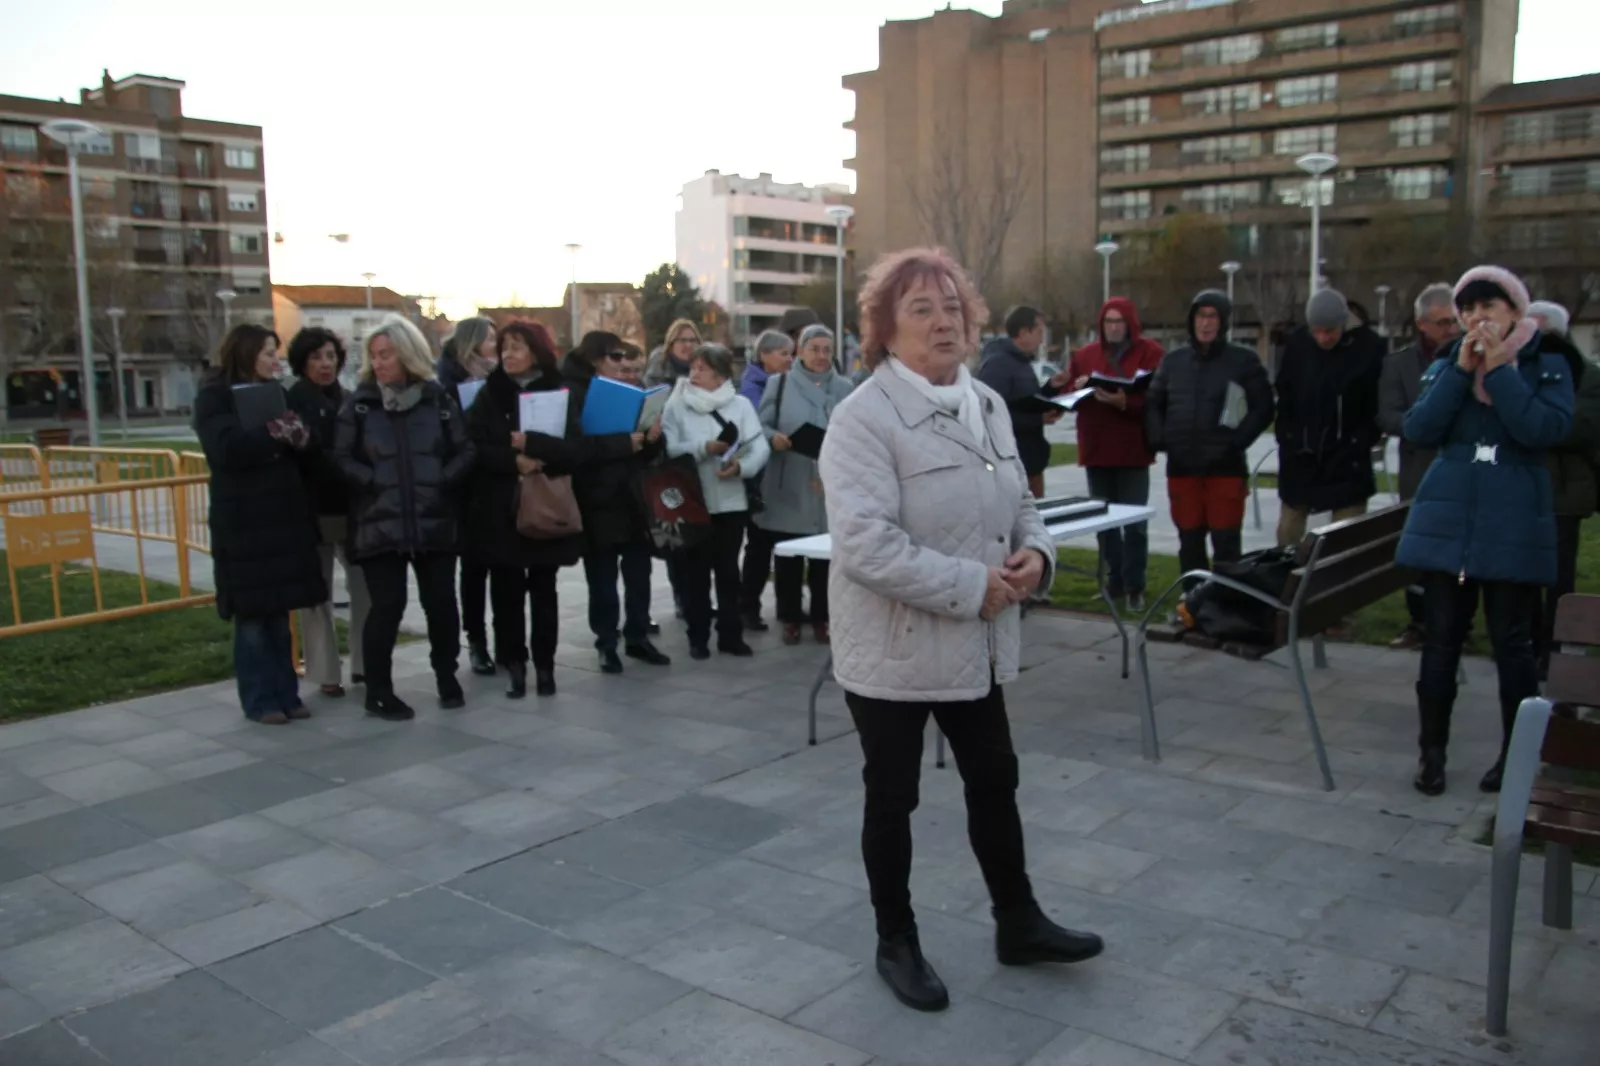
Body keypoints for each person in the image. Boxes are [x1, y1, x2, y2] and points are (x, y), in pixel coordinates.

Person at [820, 247, 1102, 1014]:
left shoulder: (985, 402)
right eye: (921, 309)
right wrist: (972, 585)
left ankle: (1019, 921)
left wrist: (1037, 558)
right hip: (895, 649)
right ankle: (895, 940)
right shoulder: (861, 420)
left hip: (975, 643)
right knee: (894, 797)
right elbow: (867, 545)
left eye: (953, 307)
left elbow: (1023, 506)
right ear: (883, 329)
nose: (944, 321)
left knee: (995, 781)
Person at [1397, 266, 1574, 797]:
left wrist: (1500, 371)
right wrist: (1460, 372)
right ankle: (1431, 754)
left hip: (1512, 521)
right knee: (1441, 641)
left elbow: (1543, 430)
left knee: (1512, 643)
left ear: (1515, 312)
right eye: (1468, 310)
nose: (1477, 319)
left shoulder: (1550, 364)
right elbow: (1420, 428)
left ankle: (1514, 756)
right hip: (1450, 522)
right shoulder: (1449, 362)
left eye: (1488, 307)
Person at [335, 315, 477, 721]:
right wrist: (373, 480)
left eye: (386, 355)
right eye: (373, 356)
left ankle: (447, 677)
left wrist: (440, 479)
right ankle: (378, 691)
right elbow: (340, 457)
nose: (378, 363)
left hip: (433, 520)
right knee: (387, 607)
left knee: (441, 604)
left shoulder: (438, 401)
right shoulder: (360, 404)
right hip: (381, 521)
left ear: (408, 355)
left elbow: (465, 451)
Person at [194, 325, 326, 725]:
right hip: (243, 522)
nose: (275, 361)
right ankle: (259, 699)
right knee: (252, 618)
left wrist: (302, 437)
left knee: (280, 617)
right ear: (248, 352)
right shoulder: (214, 396)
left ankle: (287, 694)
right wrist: (274, 434)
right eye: (269, 353)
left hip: (282, 519)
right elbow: (225, 448)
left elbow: (307, 450)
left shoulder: (278, 394)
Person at [561, 330, 672, 674]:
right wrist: (624, 444)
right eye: (615, 357)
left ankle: (637, 635)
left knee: (639, 573)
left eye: (625, 358)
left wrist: (652, 439)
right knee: (603, 579)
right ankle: (606, 642)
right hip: (597, 497)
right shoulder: (574, 394)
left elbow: (643, 449)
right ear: (595, 358)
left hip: (632, 496)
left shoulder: (630, 391)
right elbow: (576, 449)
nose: (623, 364)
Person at [1145, 291, 1275, 578]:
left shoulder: (1244, 361)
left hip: (1225, 469)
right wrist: (1160, 438)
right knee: (1189, 543)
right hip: (1182, 468)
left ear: (1223, 321)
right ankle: (1192, 605)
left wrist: (1236, 442)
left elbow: (1264, 407)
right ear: (1192, 321)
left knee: (1226, 545)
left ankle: (1226, 609)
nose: (1205, 323)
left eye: (1212, 316)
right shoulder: (1173, 362)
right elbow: (1154, 401)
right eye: (1200, 316)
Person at [662, 344, 770, 660]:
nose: (694, 374)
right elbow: (668, 447)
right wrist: (702, 448)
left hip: (732, 501)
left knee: (728, 573)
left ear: (721, 375)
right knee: (695, 574)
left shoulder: (739, 405)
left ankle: (730, 634)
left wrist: (741, 467)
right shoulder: (676, 405)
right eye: (692, 367)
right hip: (692, 501)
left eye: (702, 368)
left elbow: (758, 447)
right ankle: (697, 637)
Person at [752, 323, 854, 645]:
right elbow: (759, 426)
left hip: (829, 482)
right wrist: (773, 438)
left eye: (827, 349)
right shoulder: (779, 384)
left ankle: (823, 617)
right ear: (801, 350)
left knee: (826, 557)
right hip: (789, 478)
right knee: (789, 557)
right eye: (815, 348)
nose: (821, 356)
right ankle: (790, 617)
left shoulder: (846, 388)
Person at [1273, 288, 1386, 568]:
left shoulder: (1370, 348)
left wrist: (1360, 442)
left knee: (1342, 544)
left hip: (1348, 462)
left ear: (1344, 323)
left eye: (1330, 331)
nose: (1323, 338)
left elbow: (1377, 406)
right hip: (1302, 456)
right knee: (1287, 533)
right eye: (1317, 331)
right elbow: (1285, 394)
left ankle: (1333, 601)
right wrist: (1288, 438)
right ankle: (1286, 594)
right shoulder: (1298, 344)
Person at [285, 327, 369, 698]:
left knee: (364, 589)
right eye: (317, 357)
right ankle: (325, 673)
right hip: (311, 511)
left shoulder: (351, 400)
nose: (325, 364)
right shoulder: (291, 402)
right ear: (302, 362)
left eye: (331, 356)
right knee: (316, 596)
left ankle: (366, 664)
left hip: (352, 510)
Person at [1066, 298, 1166, 611]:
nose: (1113, 327)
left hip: (1133, 450)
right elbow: (1068, 395)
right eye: (1108, 321)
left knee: (1134, 522)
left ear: (1130, 323)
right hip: (1097, 450)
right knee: (1104, 522)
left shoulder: (1151, 353)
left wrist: (1125, 402)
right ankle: (1114, 582)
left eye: (1118, 321)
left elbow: (1159, 396)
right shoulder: (1085, 356)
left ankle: (1136, 585)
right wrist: (1079, 387)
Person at [1378, 283, 1460, 649]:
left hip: (1460, 471)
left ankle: (1458, 623)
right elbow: (1387, 414)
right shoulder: (1398, 365)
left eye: (1454, 321)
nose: (1451, 330)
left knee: (1456, 552)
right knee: (1417, 550)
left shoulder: (1469, 358)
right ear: (1422, 323)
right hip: (1418, 472)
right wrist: (1424, 424)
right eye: (1442, 322)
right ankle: (1418, 622)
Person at [1526, 301, 1599, 679]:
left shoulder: (1587, 376)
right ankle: (1529, 644)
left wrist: (1535, 418)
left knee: (1558, 577)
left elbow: (1579, 428)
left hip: (1565, 494)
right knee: (1523, 575)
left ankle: (1554, 649)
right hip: (1526, 490)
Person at [432, 316, 500, 677]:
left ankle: (506, 640)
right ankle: (476, 641)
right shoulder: (446, 381)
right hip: (463, 487)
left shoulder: (497, 377)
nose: (497, 346)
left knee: (501, 566)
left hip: (495, 481)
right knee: (473, 569)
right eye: (491, 340)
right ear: (473, 344)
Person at [736, 330, 797, 631]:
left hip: (782, 471)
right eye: (784, 353)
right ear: (764, 355)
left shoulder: (784, 381)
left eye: (791, 353)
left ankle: (784, 609)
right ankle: (748, 606)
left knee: (781, 542)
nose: (790, 359)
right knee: (760, 544)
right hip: (760, 476)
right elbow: (756, 426)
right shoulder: (753, 387)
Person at [977, 305, 1061, 500]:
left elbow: (1025, 399)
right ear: (1024, 332)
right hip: (1014, 464)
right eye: (1040, 332)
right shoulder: (997, 364)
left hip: (1031, 461)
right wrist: (1038, 420)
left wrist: (1050, 389)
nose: (1042, 339)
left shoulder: (1020, 361)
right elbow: (991, 414)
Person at [644, 318, 702, 389]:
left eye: (692, 340)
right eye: (683, 340)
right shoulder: (658, 369)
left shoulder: (707, 370)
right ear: (671, 344)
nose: (688, 345)